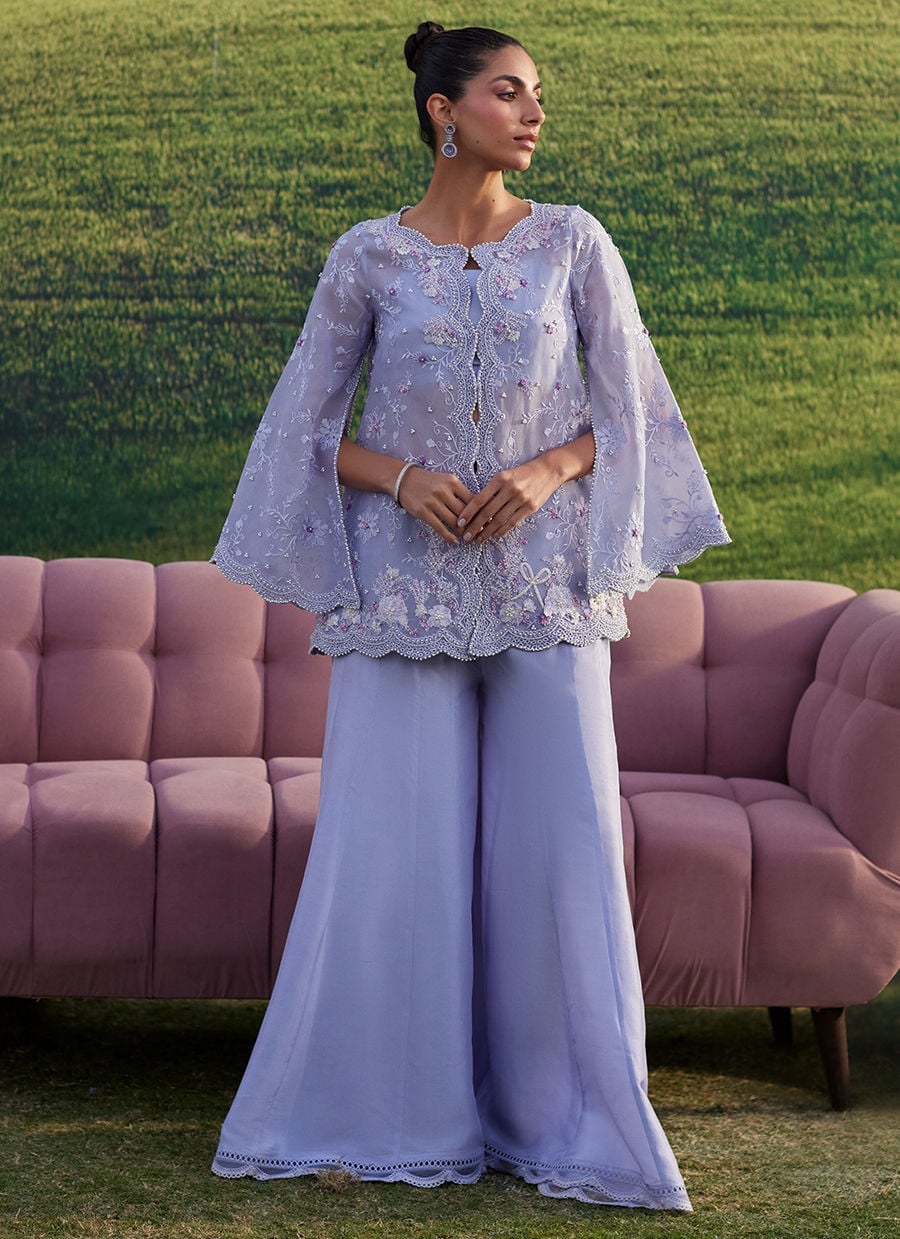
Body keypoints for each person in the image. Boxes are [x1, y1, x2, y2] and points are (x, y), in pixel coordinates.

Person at [209, 21, 729, 1210]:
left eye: (536, 93)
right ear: (444, 112)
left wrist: (548, 469)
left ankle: (573, 1124)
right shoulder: (368, 258)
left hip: (549, 597)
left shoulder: (574, 242)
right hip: (403, 597)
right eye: (509, 92)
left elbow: (636, 413)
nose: (535, 112)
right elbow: (300, 435)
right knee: (393, 859)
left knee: (565, 858)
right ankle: (395, 1116)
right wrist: (401, 478)